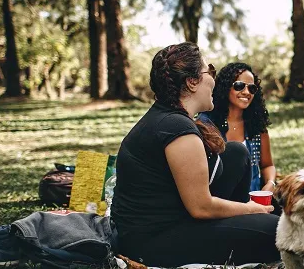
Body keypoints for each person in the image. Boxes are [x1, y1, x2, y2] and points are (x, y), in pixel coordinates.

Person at [111, 42, 280, 267]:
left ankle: (243, 223)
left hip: (172, 218)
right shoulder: (176, 129)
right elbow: (201, 207)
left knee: (236, 153)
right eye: (210, 71)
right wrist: (251, 209)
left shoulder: (169, 117)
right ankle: (247, 224)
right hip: (153, 241)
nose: (214, 80)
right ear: (192, 82)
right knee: (279, 231)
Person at [205, 62, 276, 193]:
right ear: (225, 87)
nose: (247, 92)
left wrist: (270, 183)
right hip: (219, 199)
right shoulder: (207, 124)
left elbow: (267, 165)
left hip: (254, 198)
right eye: (239, 86)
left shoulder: (257, 125)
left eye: (252, 88)